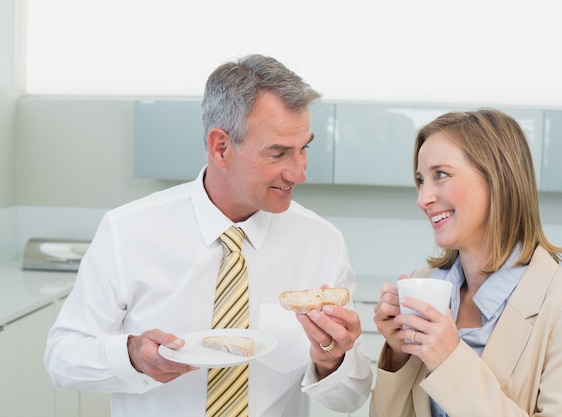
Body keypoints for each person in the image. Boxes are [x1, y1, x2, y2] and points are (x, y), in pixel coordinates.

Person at [45, 54, 372, 417]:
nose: (299, 173)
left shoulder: (321, 243)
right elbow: (62, 357)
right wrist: (132, 355)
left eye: (304, 149)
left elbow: (351, 399)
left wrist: (332, 360)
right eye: (278, 153)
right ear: (221, 148)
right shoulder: (128, 231)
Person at [370, 109, 562, 417]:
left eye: (441, 174)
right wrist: (398, 354)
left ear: (498, 178)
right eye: (420, 180)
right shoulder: (424, 282)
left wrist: (450, 361)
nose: (423, 197)